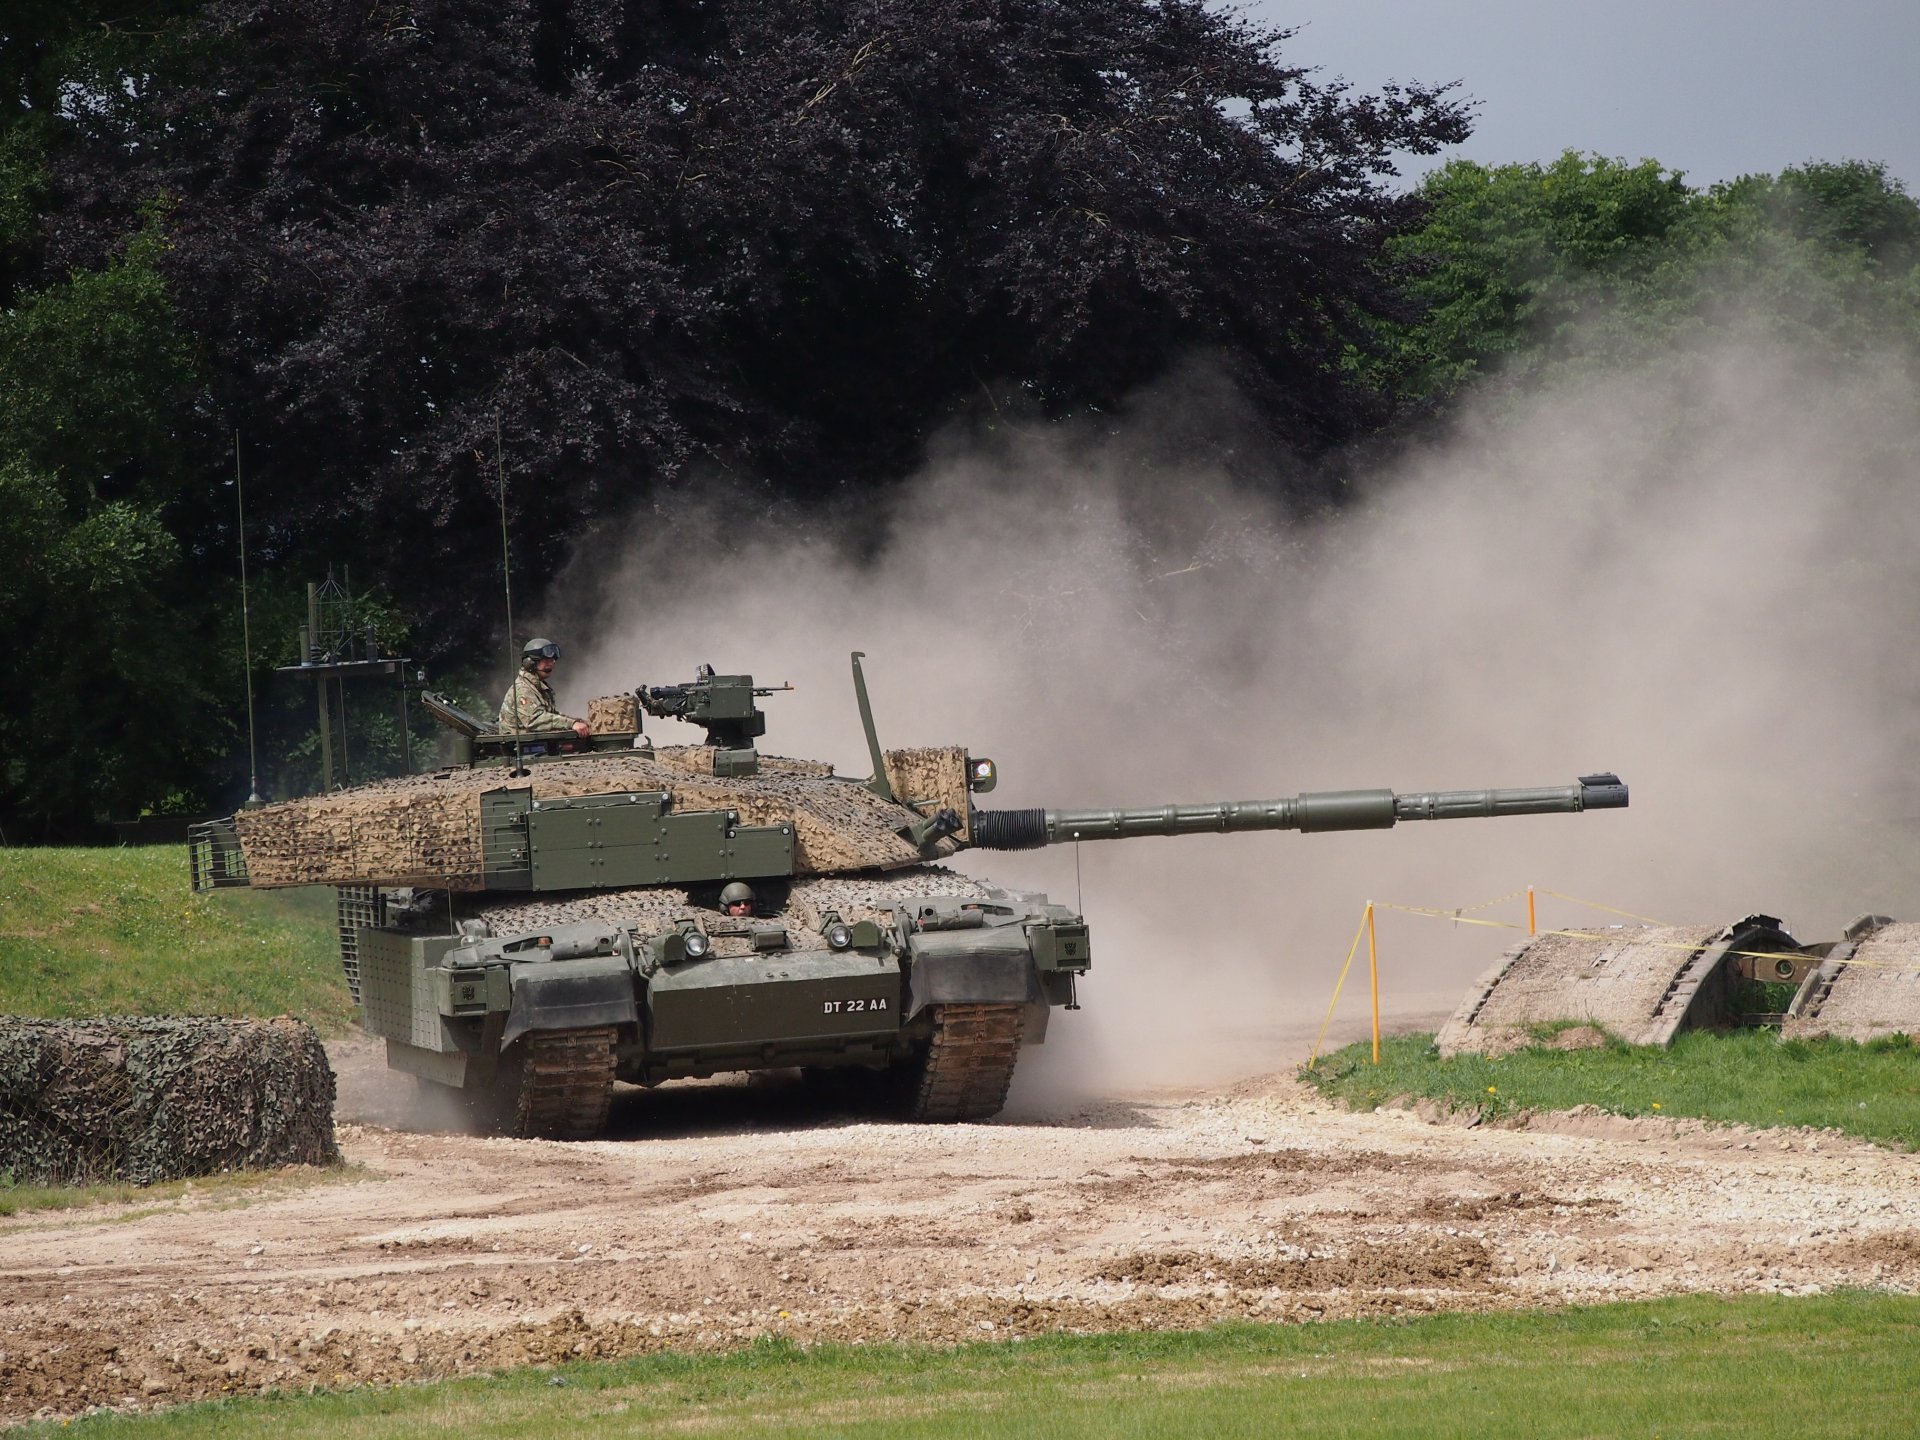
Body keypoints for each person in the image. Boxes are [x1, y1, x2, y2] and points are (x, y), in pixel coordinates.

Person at [498, 638, 592, 737]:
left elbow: (551, 715)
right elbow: (535, 720)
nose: (551, 664)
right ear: (530, 662)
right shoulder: (522, 689)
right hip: (518, 748)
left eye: (552, 661)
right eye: (546, 661)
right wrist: (571, 724)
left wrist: (576, 721)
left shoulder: (538, 688)